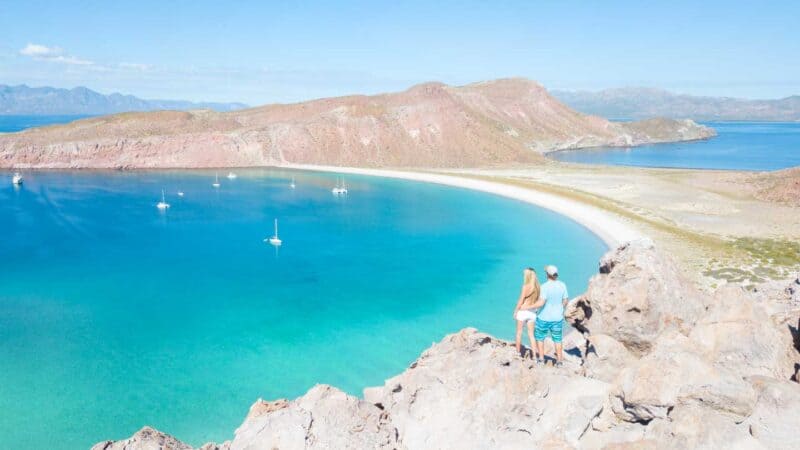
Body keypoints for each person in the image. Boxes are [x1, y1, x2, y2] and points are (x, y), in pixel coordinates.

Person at [530, 265, 569, 367]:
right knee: (557, 339)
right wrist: (560, 308)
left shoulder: (544, 287)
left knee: (540, 338)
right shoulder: (562, 285)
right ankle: (559, 361)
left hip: (544, 317)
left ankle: (541, 360)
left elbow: (541, 303)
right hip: (558, 318)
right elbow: (565, 300)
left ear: (547, 274)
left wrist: (529, 306)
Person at [512, 267, 541, 358]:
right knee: (531, 335)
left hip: (523, 312)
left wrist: (516, 310)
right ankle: (535, 357)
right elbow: (538, 301)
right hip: (532, 313)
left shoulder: (525, 287)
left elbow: (521, 300)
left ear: (527, 276)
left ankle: (518, 353)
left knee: (519, 332)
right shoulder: (538, 287)